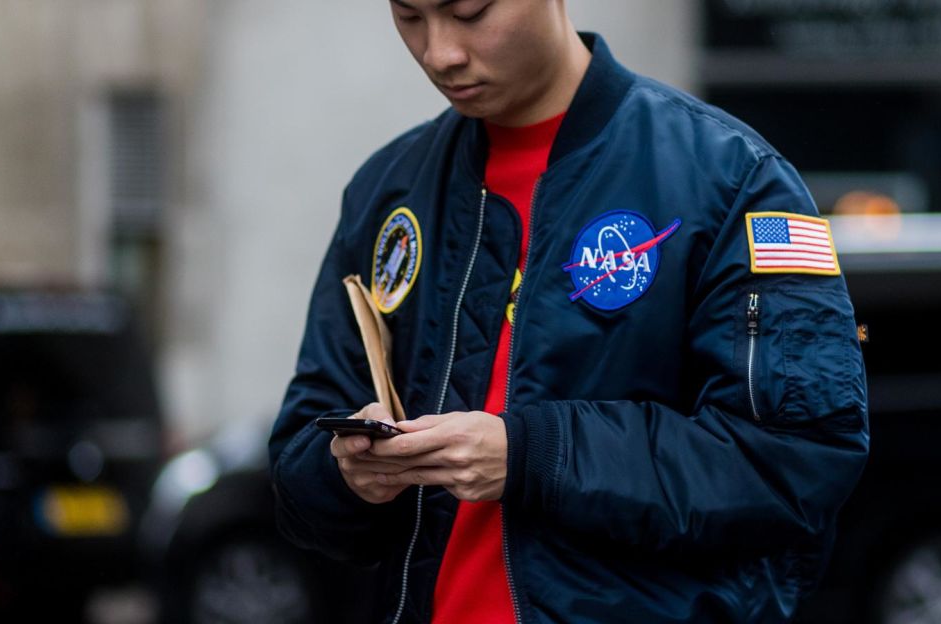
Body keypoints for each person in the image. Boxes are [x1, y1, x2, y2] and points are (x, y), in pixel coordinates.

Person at [269, 1, 869, 622]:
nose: (438, 51)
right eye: (409, 15)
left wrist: (534, 455)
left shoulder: (738, 178)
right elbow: (297, 472)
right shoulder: (388, 189)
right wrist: (348, 477)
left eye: (469, 11)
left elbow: (799, 462)